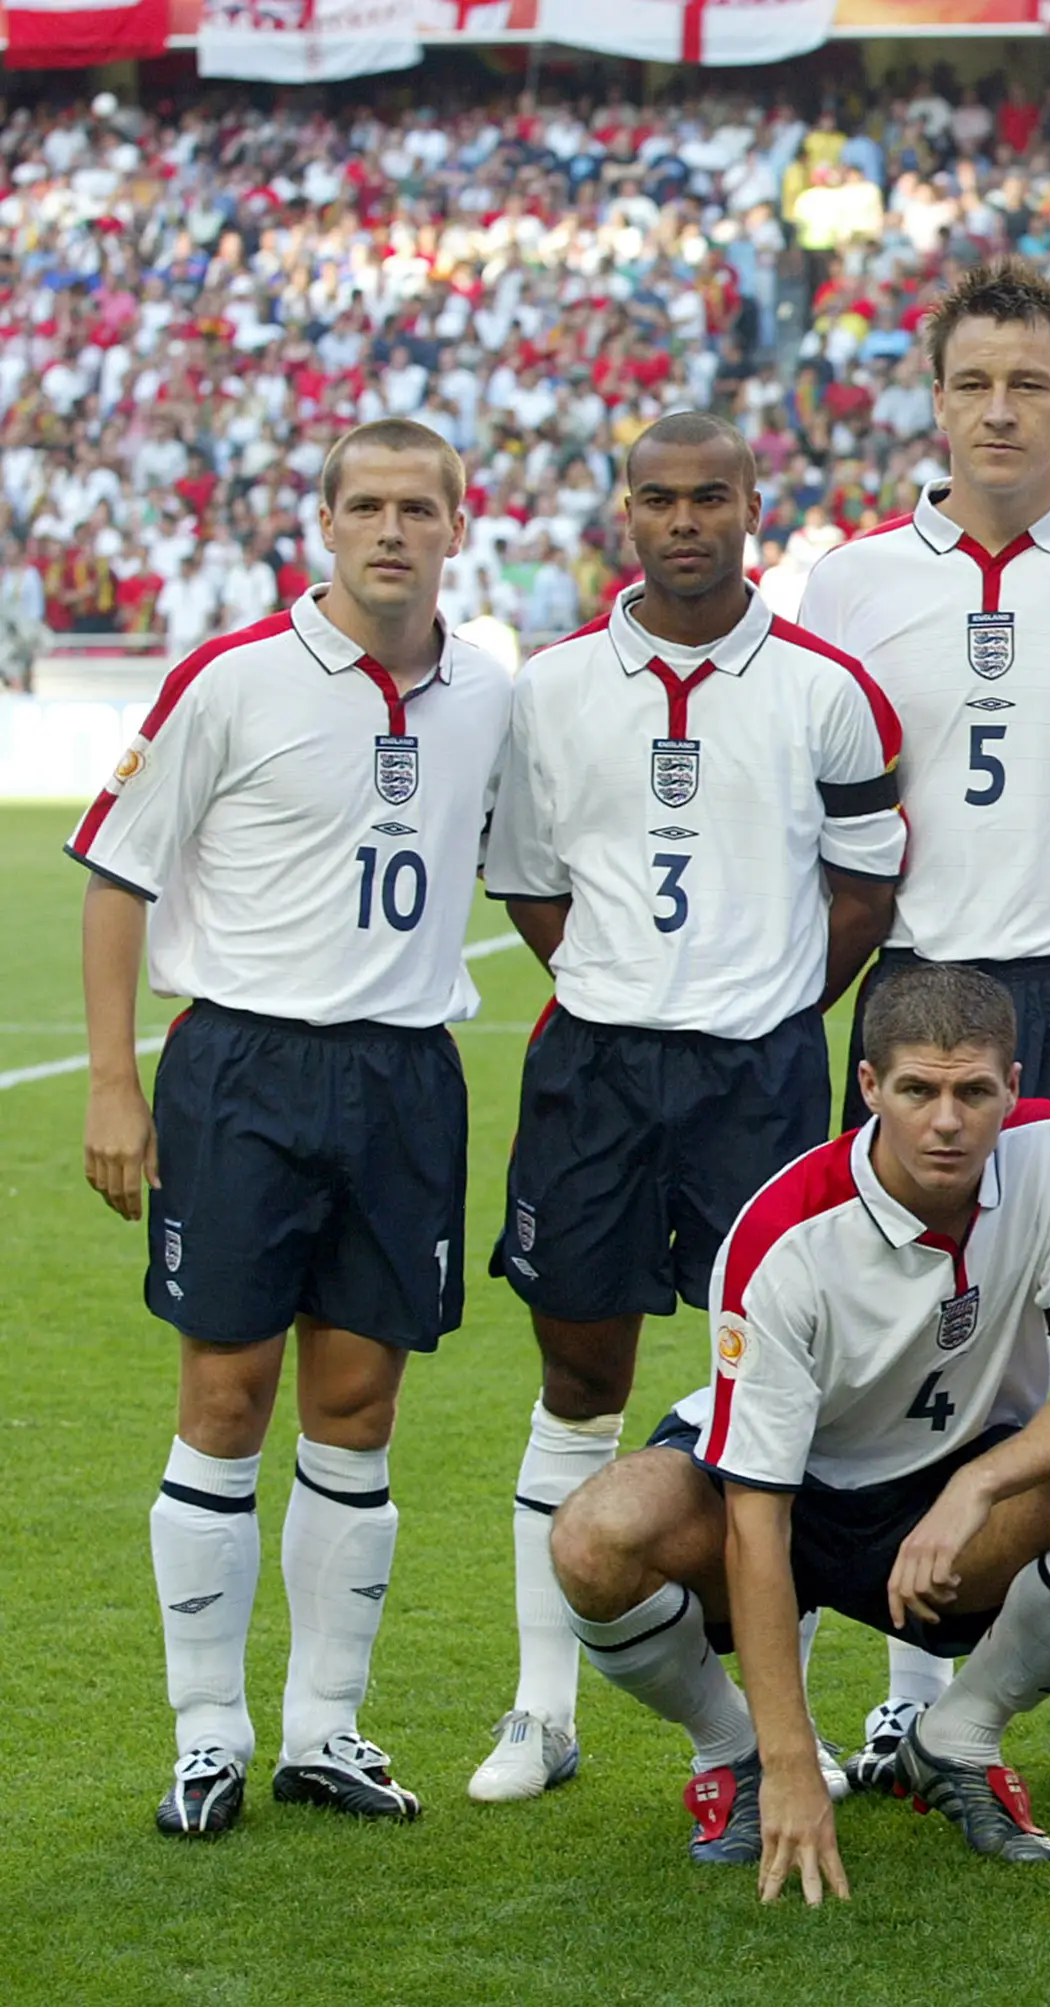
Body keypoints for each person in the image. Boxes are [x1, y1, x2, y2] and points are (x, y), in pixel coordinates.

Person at [795, 260, 1050, 1800]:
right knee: (910, 1327)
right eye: (974, 382)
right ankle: (911, 1686)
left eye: (1030, 383)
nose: (999, 410)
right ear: (936, 398)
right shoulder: (846, 582)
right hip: (920, 992)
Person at [72, 418, 512, 1836]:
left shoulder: (489, 694)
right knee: (225, 1396)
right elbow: (116, 878)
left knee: (357, 1406)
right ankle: (207, 1729)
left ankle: (327, 1725)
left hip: (401, 1077)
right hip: (242, 1070)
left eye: (419, 508)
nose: (393, 530)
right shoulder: (235, 678)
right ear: (324, 520)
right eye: (367, 505)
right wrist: (112, 1082)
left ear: (460, 523)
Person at [470, 411, 906, 1805]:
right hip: (595, 1069)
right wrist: (625, 983)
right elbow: (534, 886)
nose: (683, 522)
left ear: (751, 505)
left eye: (708, 496)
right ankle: (543, 1711)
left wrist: (767, 1003)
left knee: (781, 1396)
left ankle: (782, 1715)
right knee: (581, 1377)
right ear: (623, 513)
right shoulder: (549, 687)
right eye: (657, 498)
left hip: (760, 1077)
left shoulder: (825, 687)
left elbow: (867, 891)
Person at [547, 963, 1050, 1898]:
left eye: (975, 1091)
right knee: (595, 1537)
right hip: (795, 1496)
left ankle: (956, 1736)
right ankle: (733, 1756)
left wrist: (973, 1490)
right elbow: (756, 1521)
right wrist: (791, 1759)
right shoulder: (783, 1239)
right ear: (868, 1088)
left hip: (948, 1499)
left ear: (1014, 1087)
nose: (947, 1120)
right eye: (918, 1090)